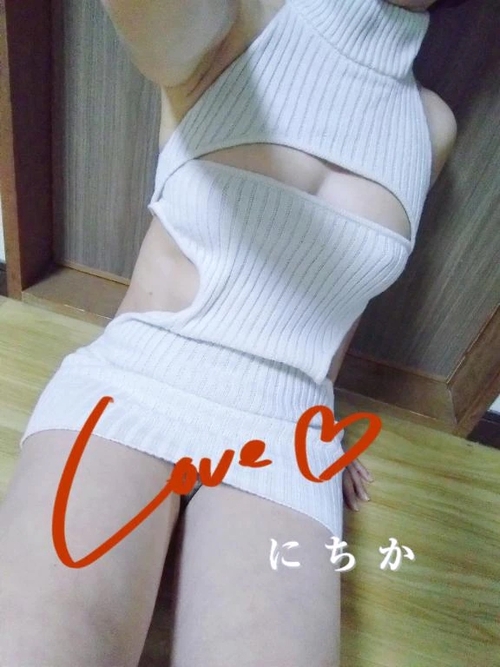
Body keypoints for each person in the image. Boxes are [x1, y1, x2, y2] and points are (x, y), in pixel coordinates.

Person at [0, 0, 462, 665]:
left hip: (287, 427)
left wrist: (322, 414)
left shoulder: (432, 127)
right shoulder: (241, 18)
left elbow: (342, 297)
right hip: (137, 382)